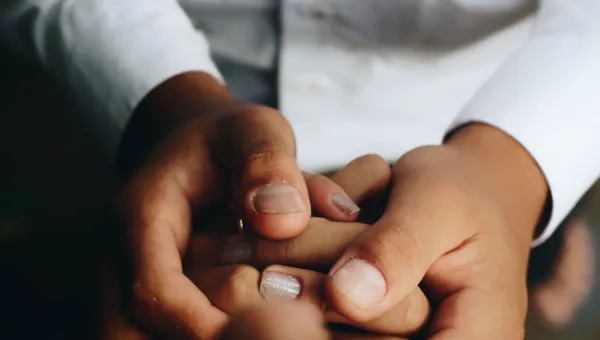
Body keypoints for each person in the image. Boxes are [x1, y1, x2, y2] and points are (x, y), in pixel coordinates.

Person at [2, 0, 600, 339]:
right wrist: (167, 104)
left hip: (495, 127)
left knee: (523, 267)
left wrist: (516, 169)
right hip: (161, 138)